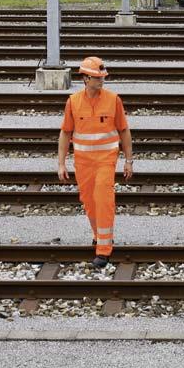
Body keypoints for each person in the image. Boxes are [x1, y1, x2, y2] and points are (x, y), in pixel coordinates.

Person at [57, 56, 133, 268]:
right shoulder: (73, 102)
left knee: (103, 198)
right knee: (89, 202)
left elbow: (124, 131)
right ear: (85, 79)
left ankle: (103, 250)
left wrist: (129, 160)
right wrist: (61, 163)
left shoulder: (113, 99)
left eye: (102, 78)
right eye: (97, 78)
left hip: (106, 160)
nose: (101, 81)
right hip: (83, 162)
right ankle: (99, 236)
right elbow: (65, 133)